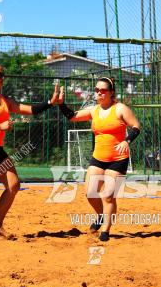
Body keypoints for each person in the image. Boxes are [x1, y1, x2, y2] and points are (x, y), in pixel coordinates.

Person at [0, 64, 61, 240]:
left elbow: (29, 110)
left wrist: (50, 102)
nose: (3, 78)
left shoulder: (4, 100)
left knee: (13, 185)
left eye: (4, 75)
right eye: (0, 75)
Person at [58, 76, 140, 241]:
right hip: (99, 158)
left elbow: (136, 127)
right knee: (90, 193)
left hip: (118, 159)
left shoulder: (120, 108)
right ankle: (101, 215)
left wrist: (127, 140)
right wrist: (60, 104)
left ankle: (105, 231)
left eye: (103, 90)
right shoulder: (94, 110)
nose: (99, 93)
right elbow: (72, 116)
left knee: (108, 196)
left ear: (111, 93)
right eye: (97, 90)